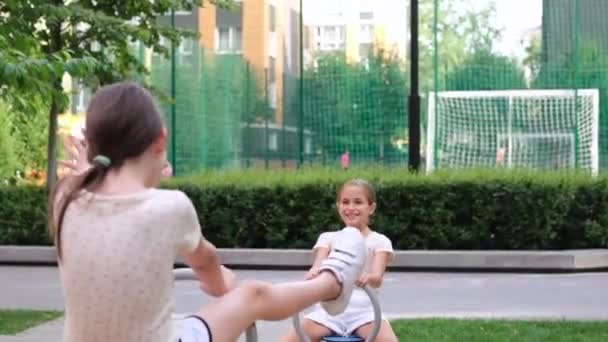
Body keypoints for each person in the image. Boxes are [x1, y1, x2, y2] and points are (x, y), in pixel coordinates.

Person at [52, 81, 368, 342]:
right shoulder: (169, 207)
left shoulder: (65, 200)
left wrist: (86, 168)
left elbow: (87, 182)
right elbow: (207, 263)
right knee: (252, 296)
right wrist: (223, 284)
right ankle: (333, 282)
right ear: (160, 140)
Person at [281, 179, 398, 342]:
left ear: (371, 208)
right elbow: (318, 267)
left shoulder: (379, 241)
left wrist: (367, 278)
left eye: (358, 202)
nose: (351, 208)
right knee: (291, 338)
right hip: (328, 313)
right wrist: (314, 273)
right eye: (345, 202)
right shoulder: (328, 238)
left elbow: (377, 279)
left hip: (364, 313)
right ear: (338, 206)